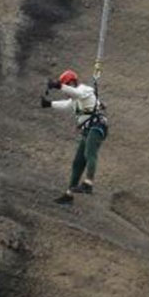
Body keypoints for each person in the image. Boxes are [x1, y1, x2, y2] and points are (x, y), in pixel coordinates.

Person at [40, 69, 108, 204]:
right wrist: (49, 104)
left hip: (97, 126)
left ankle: (88, 183)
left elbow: (76, 93)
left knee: (90, 152)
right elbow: (66, 105)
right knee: (77, 162)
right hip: (88, 129)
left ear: (71, 82)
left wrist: (58, 85)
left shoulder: (84, 90)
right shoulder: (75, 99)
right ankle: (69, 194)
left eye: (65, 87)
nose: (64, 92)